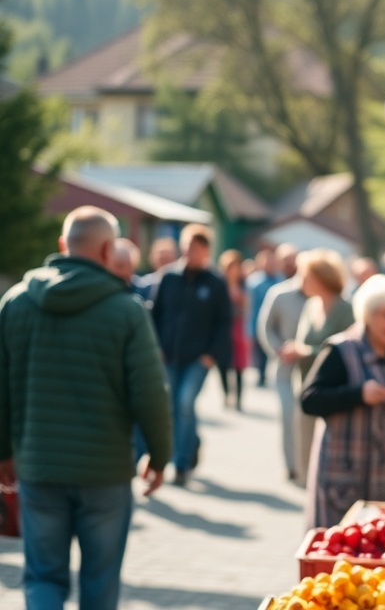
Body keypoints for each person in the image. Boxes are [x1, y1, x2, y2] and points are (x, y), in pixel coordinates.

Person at [0, 206, 172, 610]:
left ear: (63, 245)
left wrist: (4, 451)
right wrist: (161, 457)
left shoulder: (16, 303)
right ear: (109, 249)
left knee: (42, 576)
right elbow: (150, 394)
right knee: (100, 580)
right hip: (105, 472)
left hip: (39, 466)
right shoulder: (126, 311)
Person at [300, 274, 385, 528]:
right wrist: (358, 395)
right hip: (347, 481)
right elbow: (310, 400)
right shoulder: (341, 350)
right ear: (368, 314)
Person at [150, 223, 232, 486]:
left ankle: (182, 463)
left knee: (186, 402)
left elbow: (224, 323)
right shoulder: (168, 278)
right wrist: (156, 347)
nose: (189, 253)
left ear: (206, 251)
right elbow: (155, 315)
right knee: (173, 407)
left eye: (195, 249)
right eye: (186, 248)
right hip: (169, 356)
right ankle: (192, 442)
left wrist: (211, 354)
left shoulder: (215, 283)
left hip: (198, 358)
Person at [287, 249, 354, 486]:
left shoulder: (345, 310)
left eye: (305, 276)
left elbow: (347, 350)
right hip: (305, 385)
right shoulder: (311, 306)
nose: (300, 281)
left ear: (320, 277)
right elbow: (304, 341)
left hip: (332, 392)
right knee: (305, 451)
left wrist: (306, 351)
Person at [257, 247, 306, 482]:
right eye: (285, 260)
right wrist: (279, 349)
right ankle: (291, 465)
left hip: (309, 368)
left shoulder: (318, 295)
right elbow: (266, 327)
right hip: (284, 368)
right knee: (288, 416)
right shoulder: (279, 294)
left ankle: (305, 463)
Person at [218, 249, 249, 411]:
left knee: (239, 365)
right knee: (223, 364)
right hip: (223, 328)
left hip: (238, 327)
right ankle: (226, 393)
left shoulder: (244, 285)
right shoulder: (219, 285)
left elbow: (246, 308)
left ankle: (238, 398)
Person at [246, 248, 281, 387]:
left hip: (275, 323)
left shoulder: (280, 279)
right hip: (258, 322)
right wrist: (249, 328)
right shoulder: (254, 282)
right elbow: (250, 307)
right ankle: (261, 375)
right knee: (259, 352)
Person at [136, 236, 179, 301]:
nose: (165, 265)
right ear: (153, 259)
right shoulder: (144, 285)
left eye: (168, 260)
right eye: (161, 259)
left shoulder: (180, 285)